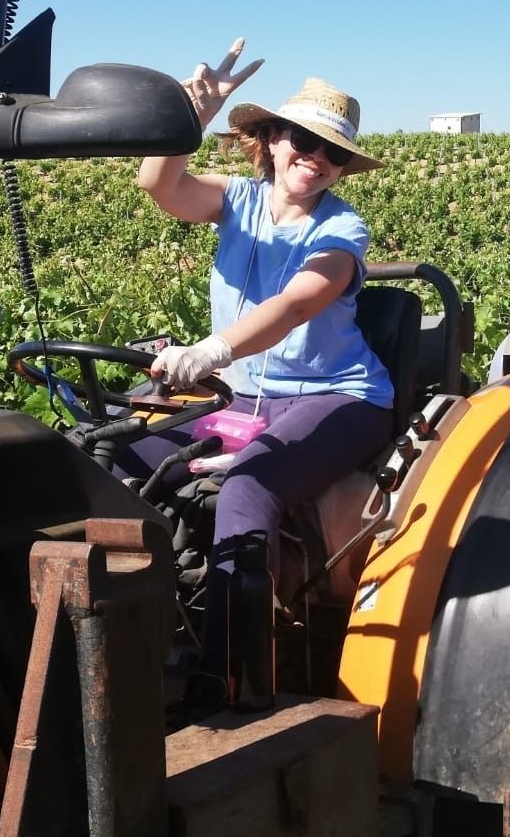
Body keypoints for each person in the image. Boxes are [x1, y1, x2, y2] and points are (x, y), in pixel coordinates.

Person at [120, 40, 394, 681]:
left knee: (249, 487)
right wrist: (187, 121)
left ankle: (235, 676)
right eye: (303, 139)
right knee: (117, 455)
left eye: (333, 152)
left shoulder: (340, 230)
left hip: (338, 397)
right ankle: (134, 630)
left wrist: (214, 349)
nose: (316, 158)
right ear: (270, 139)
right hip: (242, 397)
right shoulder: (237, 201)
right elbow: (159, 184)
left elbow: (301, 302)